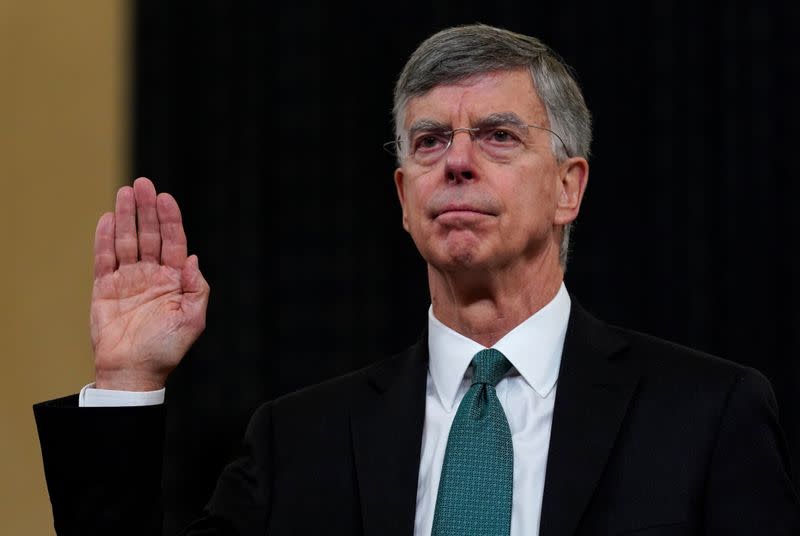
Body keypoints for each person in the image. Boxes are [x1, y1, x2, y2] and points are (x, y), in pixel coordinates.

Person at [34, 23, 799, 536]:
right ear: (404, 198)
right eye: (430, 141)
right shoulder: (301, 440)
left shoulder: (707, 414)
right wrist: (127, 378)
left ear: (569, 187)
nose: (457, 161)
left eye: (498, 136)